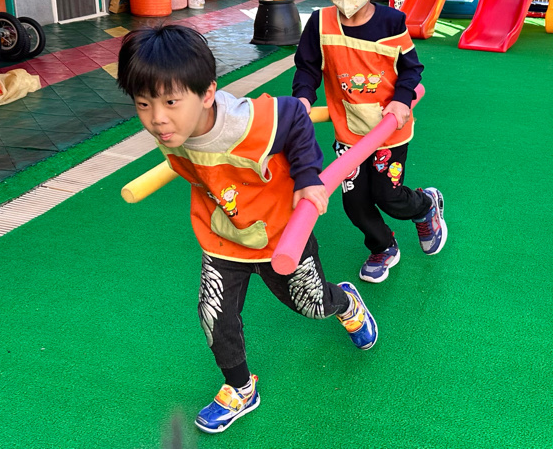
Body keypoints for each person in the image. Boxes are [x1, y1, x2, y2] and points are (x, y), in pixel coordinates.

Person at [117, 25, 378, 435]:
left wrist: (307, 177)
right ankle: (240, 387)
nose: (157, 118)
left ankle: (345, 302)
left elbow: (296, 116)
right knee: (213, 314)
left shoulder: (246, 122)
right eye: (143, 104)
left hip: (281, 234)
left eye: (170, 102)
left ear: (207, 94)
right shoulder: (169, 131)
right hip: (223, 236)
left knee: (311, 305)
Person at [293, 0, 447, 284]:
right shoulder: (320, 23)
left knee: (387, 195)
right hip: (348, 132)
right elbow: (307, 68)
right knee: (355, 203)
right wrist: (303, 97)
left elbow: (411, 69)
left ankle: (425, 206)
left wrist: (402, 99)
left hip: (389, 132)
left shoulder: (391, 23)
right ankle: (383, 246)